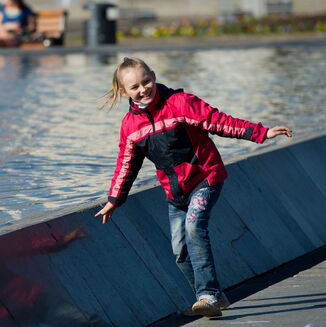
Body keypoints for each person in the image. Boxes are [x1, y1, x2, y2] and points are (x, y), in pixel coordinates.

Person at [94, 57, 292, 317]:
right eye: (135, 87)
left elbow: (218, 121)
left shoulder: (180, 103)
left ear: (153, 75)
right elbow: (126, 165)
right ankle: (215, 297)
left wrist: (260, 133)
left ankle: (207, 294)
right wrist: (114, 199)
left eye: (146, 81)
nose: (143, 89)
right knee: (179, 250)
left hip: (205, 178)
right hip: (175, 193)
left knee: (194, 226)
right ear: (124, 92)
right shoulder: (131, 127)